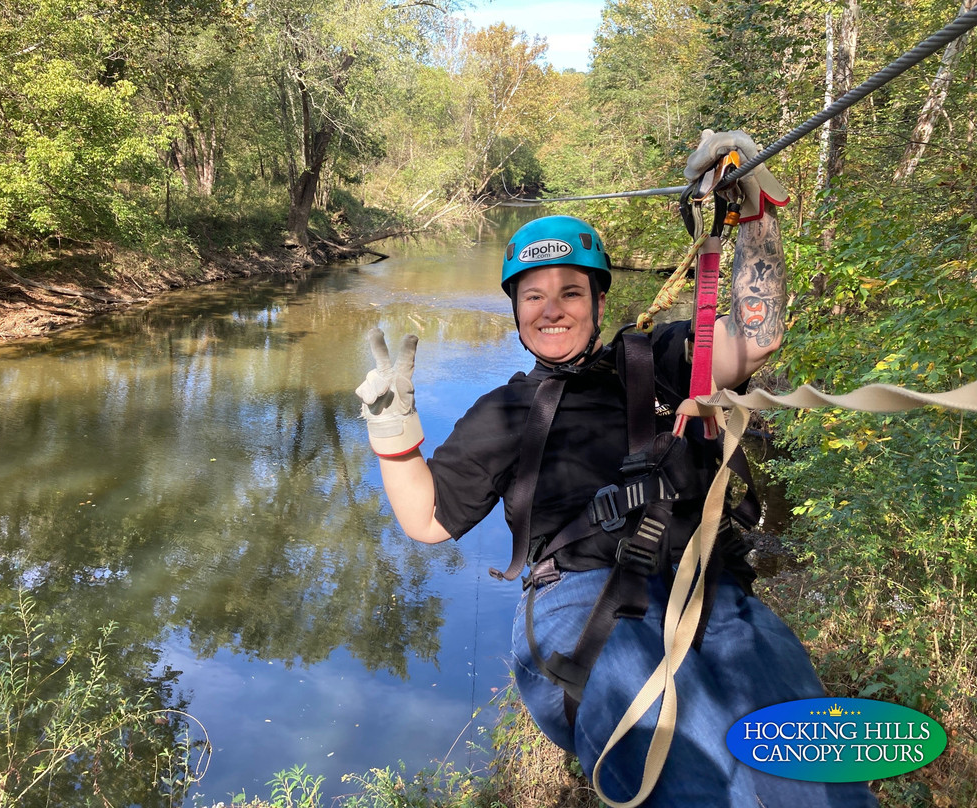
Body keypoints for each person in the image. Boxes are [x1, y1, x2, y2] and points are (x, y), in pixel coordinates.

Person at [355, 130, 879, 807]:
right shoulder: (503, 411)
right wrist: (394, 431)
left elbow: (755, 333)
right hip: (583, 599)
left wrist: (750, 209)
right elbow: (427, 519)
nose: (552, 309)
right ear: (515, 313)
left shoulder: (658, 360)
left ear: (600, 302)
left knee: (808, 772)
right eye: (533, 295)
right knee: (691, 781)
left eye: (571, 292)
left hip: (708, 588)